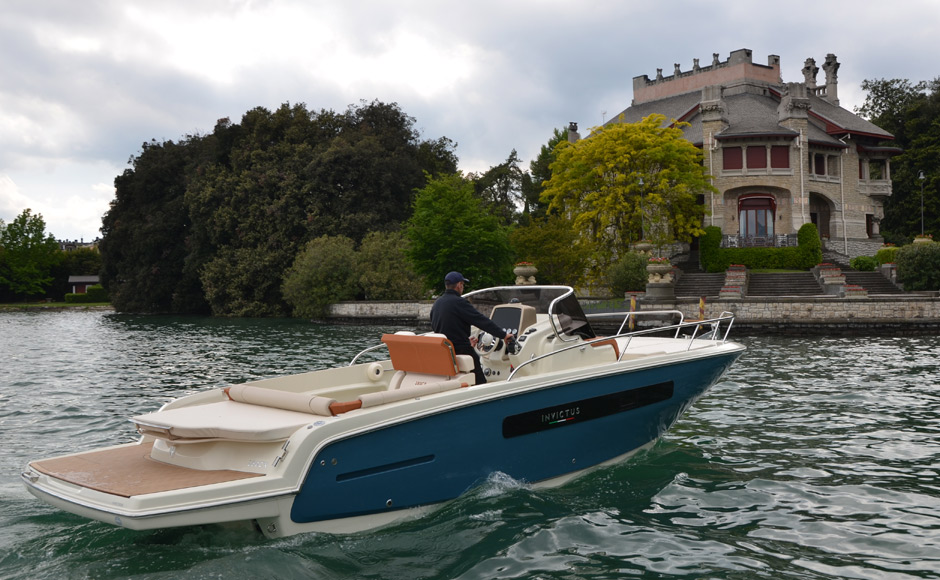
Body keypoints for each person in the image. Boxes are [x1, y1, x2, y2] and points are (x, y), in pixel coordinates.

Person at [430, 271, 514, 385]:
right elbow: (481, 321)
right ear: (459, 285)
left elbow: (441, 329)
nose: (462, 288)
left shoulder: (437, 303)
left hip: (447, 352)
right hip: (462, 351)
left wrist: (465, 341)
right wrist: (504, 335)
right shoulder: (459, 302)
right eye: (463, 285)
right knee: (481, 383)